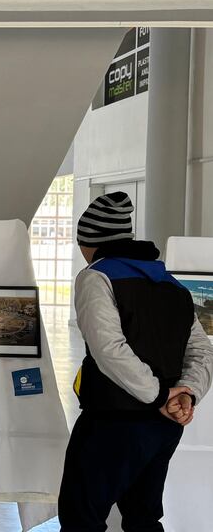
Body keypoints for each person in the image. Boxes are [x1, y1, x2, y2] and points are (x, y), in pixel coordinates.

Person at [58, 192, 213, 531]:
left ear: (90, 241)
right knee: (143, 517)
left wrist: (159, 396)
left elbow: (109, 349)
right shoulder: (172, 284)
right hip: (165, 426)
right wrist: (186, 393)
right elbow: (201, 350)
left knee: (81, 517)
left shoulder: (96, 277)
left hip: (112, 420)